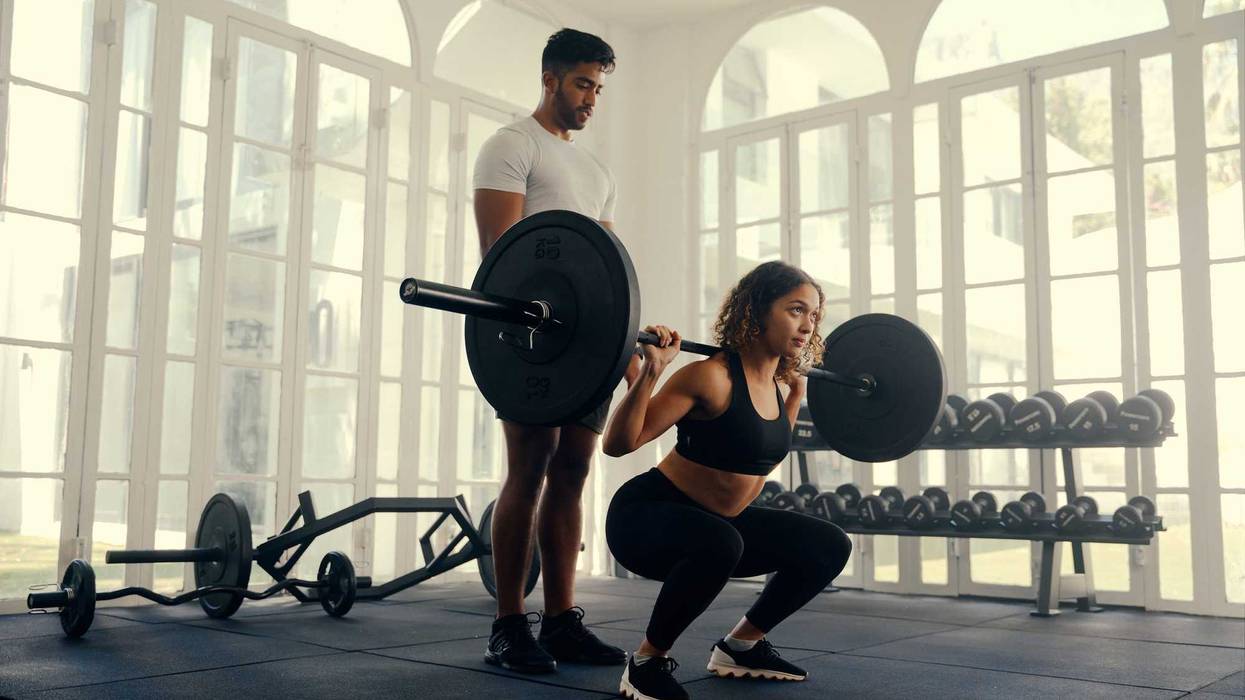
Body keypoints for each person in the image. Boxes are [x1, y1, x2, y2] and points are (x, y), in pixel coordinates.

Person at [602, 261, 854, 700]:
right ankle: (646, 662)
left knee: (830, 544)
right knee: (721, 541)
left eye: (813, 316)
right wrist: (651, 371)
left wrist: (795, 395)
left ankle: (741, 645)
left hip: (717, 526)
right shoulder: (711, 376)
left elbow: (760, 456)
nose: (807, 327)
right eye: (796, 310)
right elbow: (620, 443)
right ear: (756, 311)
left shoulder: (778, 386)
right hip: (645, 519)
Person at [472, 28, 632, 674]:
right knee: (529, 468)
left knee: (573, 472)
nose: (591, 98)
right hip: (527, 339)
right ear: (549, 79)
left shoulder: (596, 172)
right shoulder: (510, 147)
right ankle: (509, 624)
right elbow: (502, 262)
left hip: (588, 344)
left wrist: (631, 336)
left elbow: (605, 268)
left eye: (598, 87)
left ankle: (561, 620)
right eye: (582, 83)